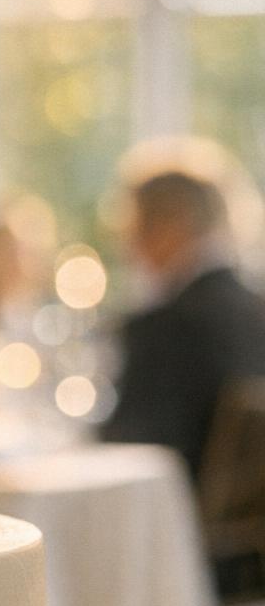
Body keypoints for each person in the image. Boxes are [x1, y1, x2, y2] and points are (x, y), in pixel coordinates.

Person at [101, 168, 265, 482]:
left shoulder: (167, 326)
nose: (128, 246)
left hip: (178, 519)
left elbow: (125, 448)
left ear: (169, 225)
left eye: (134, 228)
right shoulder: (255, 310)